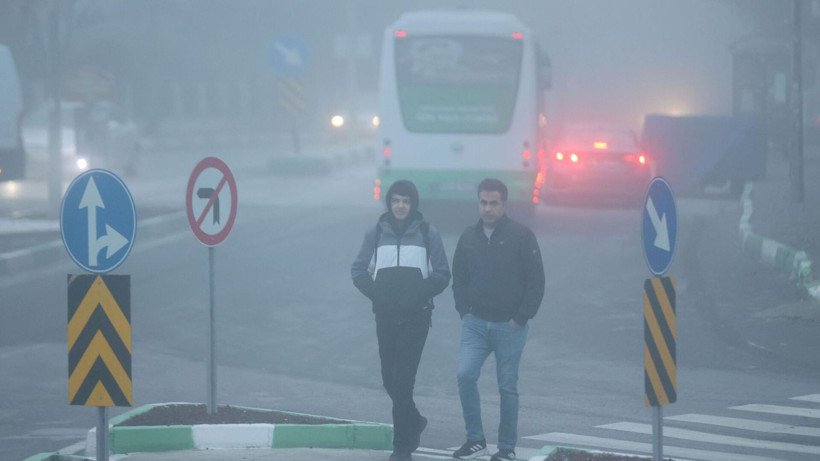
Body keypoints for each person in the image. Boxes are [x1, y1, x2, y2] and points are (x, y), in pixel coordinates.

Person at [351, 180, 451, 461]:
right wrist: (377, 296)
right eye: (395, 200)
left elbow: (442, 274)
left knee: (403, 382)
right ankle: (415, 420)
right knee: (389, 381)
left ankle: (402, 447)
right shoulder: (375, 233)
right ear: (389, 202)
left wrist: (417, 296)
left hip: (416, 319)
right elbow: (358, 270)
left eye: (405, 201)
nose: (400, 206)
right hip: (384, 317)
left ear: (413, 204)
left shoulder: (428, 233)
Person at [451, 178, 545, 461]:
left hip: (510, 326)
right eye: (483, 202)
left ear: (504, 204)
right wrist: (463, 310)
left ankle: (506, 449)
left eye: (493, 203)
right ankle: (476, 441)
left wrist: (521, 317)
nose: (487, 208)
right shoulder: (468, 237)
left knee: (507, 386)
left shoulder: (522, 236)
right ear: (478, 203)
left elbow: (536, 280)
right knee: (465, 375)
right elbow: (459, 277)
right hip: (475, 323)